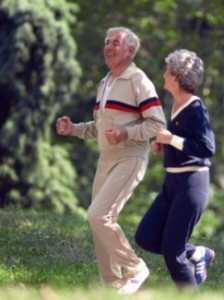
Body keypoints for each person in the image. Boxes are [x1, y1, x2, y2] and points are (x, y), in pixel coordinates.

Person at [56, 26, 166, 294]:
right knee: (98, 225)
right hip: (106, 159)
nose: (109, 46)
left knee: (98, 214)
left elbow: (157, 123)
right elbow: (99, 127)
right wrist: (75, 130)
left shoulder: (139, 80)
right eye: (107, 42)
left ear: (130, 50)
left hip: (130, 157)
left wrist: (126, 133)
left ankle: (135, 268)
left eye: (115, 42)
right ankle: (112, 289)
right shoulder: (104, 82)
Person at [135, 49, 216, 289]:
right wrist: (165, 145)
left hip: (192, 185)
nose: (164, 73)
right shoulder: (177, 104)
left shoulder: (196, 108)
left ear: (177, 76)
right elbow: (182, 140)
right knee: (146, 237)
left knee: (173, 252)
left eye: (167, 70)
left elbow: (206, 147)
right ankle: (198, 253)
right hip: (172, 185)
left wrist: (171, 140)